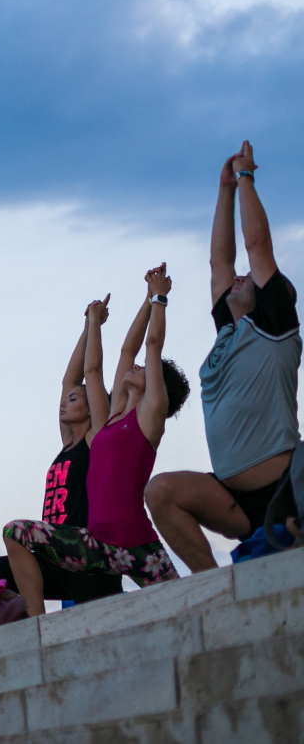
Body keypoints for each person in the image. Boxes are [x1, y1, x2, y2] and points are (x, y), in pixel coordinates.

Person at [147, 143, 302, 570]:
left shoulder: (273, 324)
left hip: (286, 487)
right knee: (160, 492)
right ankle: (213, 587)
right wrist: (225, 188)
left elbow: (256, 243)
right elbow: (220, 259)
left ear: (271, 297)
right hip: (232, 498)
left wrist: (248, 177)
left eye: (249, 280)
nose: (237, 277)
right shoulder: (230, 332)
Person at [4, 270, 186, 616]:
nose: (134, 366)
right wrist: (142, 300)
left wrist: (159, 300)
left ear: (156, 384)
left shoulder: (148, 417)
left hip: (136, 543)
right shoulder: (112, 417)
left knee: (183, 605)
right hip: (98, 546)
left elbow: (150, 346)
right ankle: (37, 626)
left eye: (143, 369)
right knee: (14, 531)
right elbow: (122, 352)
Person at [0, 303, 124, 604]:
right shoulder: (69, 442)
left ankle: (37, 625)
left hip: (85, 560)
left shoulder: (96, 439)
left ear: (93, 407)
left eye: (74, 399)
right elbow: (69, 381)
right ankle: (27, 627)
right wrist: (86, 327)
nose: (64, 402)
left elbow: (92, 371)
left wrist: (96, 326)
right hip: (51, 560)